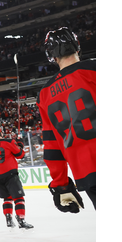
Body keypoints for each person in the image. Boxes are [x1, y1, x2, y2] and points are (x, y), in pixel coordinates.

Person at [38, 27, 96, 211]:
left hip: (87, 173)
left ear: (51, 56)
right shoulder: (94, 69)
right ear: (77, 46)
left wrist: (60, 184)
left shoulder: (45, 95)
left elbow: (52, 146)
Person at [0, 126, 33, 229]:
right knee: (18, 198)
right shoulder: (9, 141)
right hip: (9, 173)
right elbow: (20, 155)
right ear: (1, 133)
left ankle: (9, 219)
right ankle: (21, 220)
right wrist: (20, 144)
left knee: (7, 198)